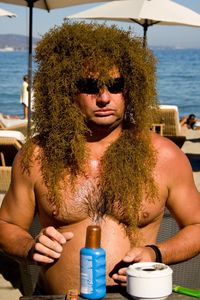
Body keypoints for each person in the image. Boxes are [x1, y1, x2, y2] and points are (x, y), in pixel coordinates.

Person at [0, 22, 200, 295]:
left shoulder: (165, 156)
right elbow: (6, 225)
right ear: (67, 90)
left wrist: (156, 253)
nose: (104, 97)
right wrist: (28, 246)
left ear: (131, 89)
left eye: (116, 85)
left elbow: (197, 225)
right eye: (89, 85)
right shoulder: (37, 155)